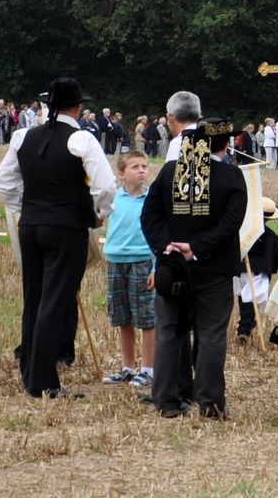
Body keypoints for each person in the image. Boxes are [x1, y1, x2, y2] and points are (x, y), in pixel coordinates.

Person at [0, 76, 115, 399]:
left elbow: (2, 184)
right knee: (56, 300)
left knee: (33, 298)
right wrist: (98, 213)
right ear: (77, 107)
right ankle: (43, 380)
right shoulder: (83, 140)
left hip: (29, 226)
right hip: (66, 227)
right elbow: (105, 187)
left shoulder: (22, 137)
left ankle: (30, 371)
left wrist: (28, 208)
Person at [141, 108, 247, 419]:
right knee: (211, 335)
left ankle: (166, 399)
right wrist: (196, 248)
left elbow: (150, 215)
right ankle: (210, 403)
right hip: (212, 268)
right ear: (226, 145)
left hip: (172, 267)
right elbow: (231, 224)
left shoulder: (170, 171)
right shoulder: (231, 176)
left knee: (169, 331)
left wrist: (166, 248)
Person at [101, 150, 156, 389]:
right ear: (121, 174)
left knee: (146, 317)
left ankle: (148, 369)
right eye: (135, 167)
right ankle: (127, 367)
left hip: (143, 261)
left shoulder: (153, 199)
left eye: (144, 166)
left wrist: (156, 266)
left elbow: (158, 235)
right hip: (115, 260)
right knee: (122, 316)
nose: (141, 170)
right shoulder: (112, 198)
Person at [236, 198, 278, 341]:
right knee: (252, 302)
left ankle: (245, 328)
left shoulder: (244, 232)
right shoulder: (272, 237)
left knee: (244, 299)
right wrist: (272, 269)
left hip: (241, 271)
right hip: (260, 273)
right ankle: (245, 329)